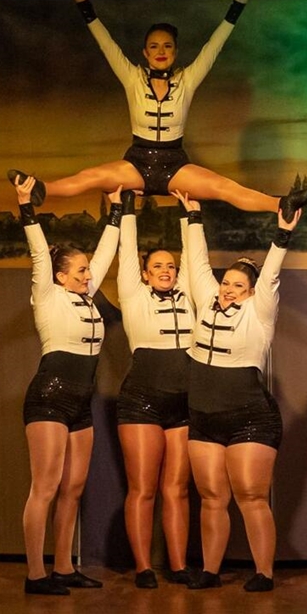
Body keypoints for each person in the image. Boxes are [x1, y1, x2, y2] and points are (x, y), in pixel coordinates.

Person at [6, 0, 307, 222]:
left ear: (176, 51)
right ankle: (39, 188)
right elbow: (107, 45)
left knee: (224, 188)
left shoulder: (187, 80)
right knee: (92, 176)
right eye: (153, 46)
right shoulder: (132, 77)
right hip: (137, 162)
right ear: (145, 52)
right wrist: (85, 7)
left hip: (173, 164)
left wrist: (236, 8)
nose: (161, 50)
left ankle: (282, 204)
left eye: (167, 45)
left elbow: (212, 48)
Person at [180, 194, 300, 591]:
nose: (228, 289)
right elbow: (196, 264)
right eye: (226, 282)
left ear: (250, 292)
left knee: (250, 496)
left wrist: (282, 234)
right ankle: (210, 571)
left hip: (249, 418)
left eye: (238, 285)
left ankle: (263, 572)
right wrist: (193, 216)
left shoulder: (259, 312)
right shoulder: (205, 304)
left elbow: (270, 277)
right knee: (212, 496)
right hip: (203, 417)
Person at [14, 174, 121, 595]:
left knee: (73, 488)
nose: (87, 275)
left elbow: (107, 254)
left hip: (81, 400)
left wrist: (115, 210)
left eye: (86, 271)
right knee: (45, 486)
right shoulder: (49, 294)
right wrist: (26, 208)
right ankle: (35, 574)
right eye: (79, 271)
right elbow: (40, 253)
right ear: (60, 276)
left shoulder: (85, 293)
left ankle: (63, 566)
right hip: (49, 397)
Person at [114, 191, 196, 588]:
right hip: (141, 401)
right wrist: (125, 208)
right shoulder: (133, 296)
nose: (166, 270)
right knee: (143, 488)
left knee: (177, 490)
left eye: (171, 265)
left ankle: (178, 566)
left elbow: (195, 258)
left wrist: (188, 214)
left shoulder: (192, 298)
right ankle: (144, 567)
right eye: (157, 265)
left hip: (184, 403)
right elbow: (126, 254)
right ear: (145, 273)